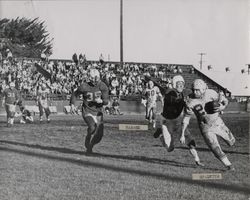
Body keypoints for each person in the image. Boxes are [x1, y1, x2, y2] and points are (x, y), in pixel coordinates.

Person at [180, 79, 235, 170]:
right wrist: (182, 134)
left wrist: (221, 107)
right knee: (214, 147)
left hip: (217, 122)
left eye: (198, 90)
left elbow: (224, 102)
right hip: (205, 126)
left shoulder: (210, 93)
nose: (195, 92)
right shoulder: (190, 101)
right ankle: (229, 165)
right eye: (193, 90)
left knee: (232, 142)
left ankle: (229, 159)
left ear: (204, 89)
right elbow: (186, 118)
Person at [153, 75, 203, 166]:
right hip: (166, 122)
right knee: (169, 149)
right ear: (174, 85)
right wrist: (184, 101)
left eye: (182, 84)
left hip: (177, 120)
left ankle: (197, 159)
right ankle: (160, 135)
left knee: (189, 139)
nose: (180, 86)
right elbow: (172, 99)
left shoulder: (185, 93)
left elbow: (194, 94)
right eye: (178, 84)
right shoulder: (170, 93)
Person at [70, 68, 109, 154]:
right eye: (93, 79)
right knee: (92, 127)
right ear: (90, 78)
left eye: (97, 79)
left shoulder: (103, 86)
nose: (95, 81)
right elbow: (75, 94)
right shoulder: (84, 86)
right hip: (87, 110)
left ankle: (90, 146)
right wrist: (72, 104)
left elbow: (106, 100)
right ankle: (88, 138)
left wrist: (102, 101)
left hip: (98, 112)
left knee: (99, 135)